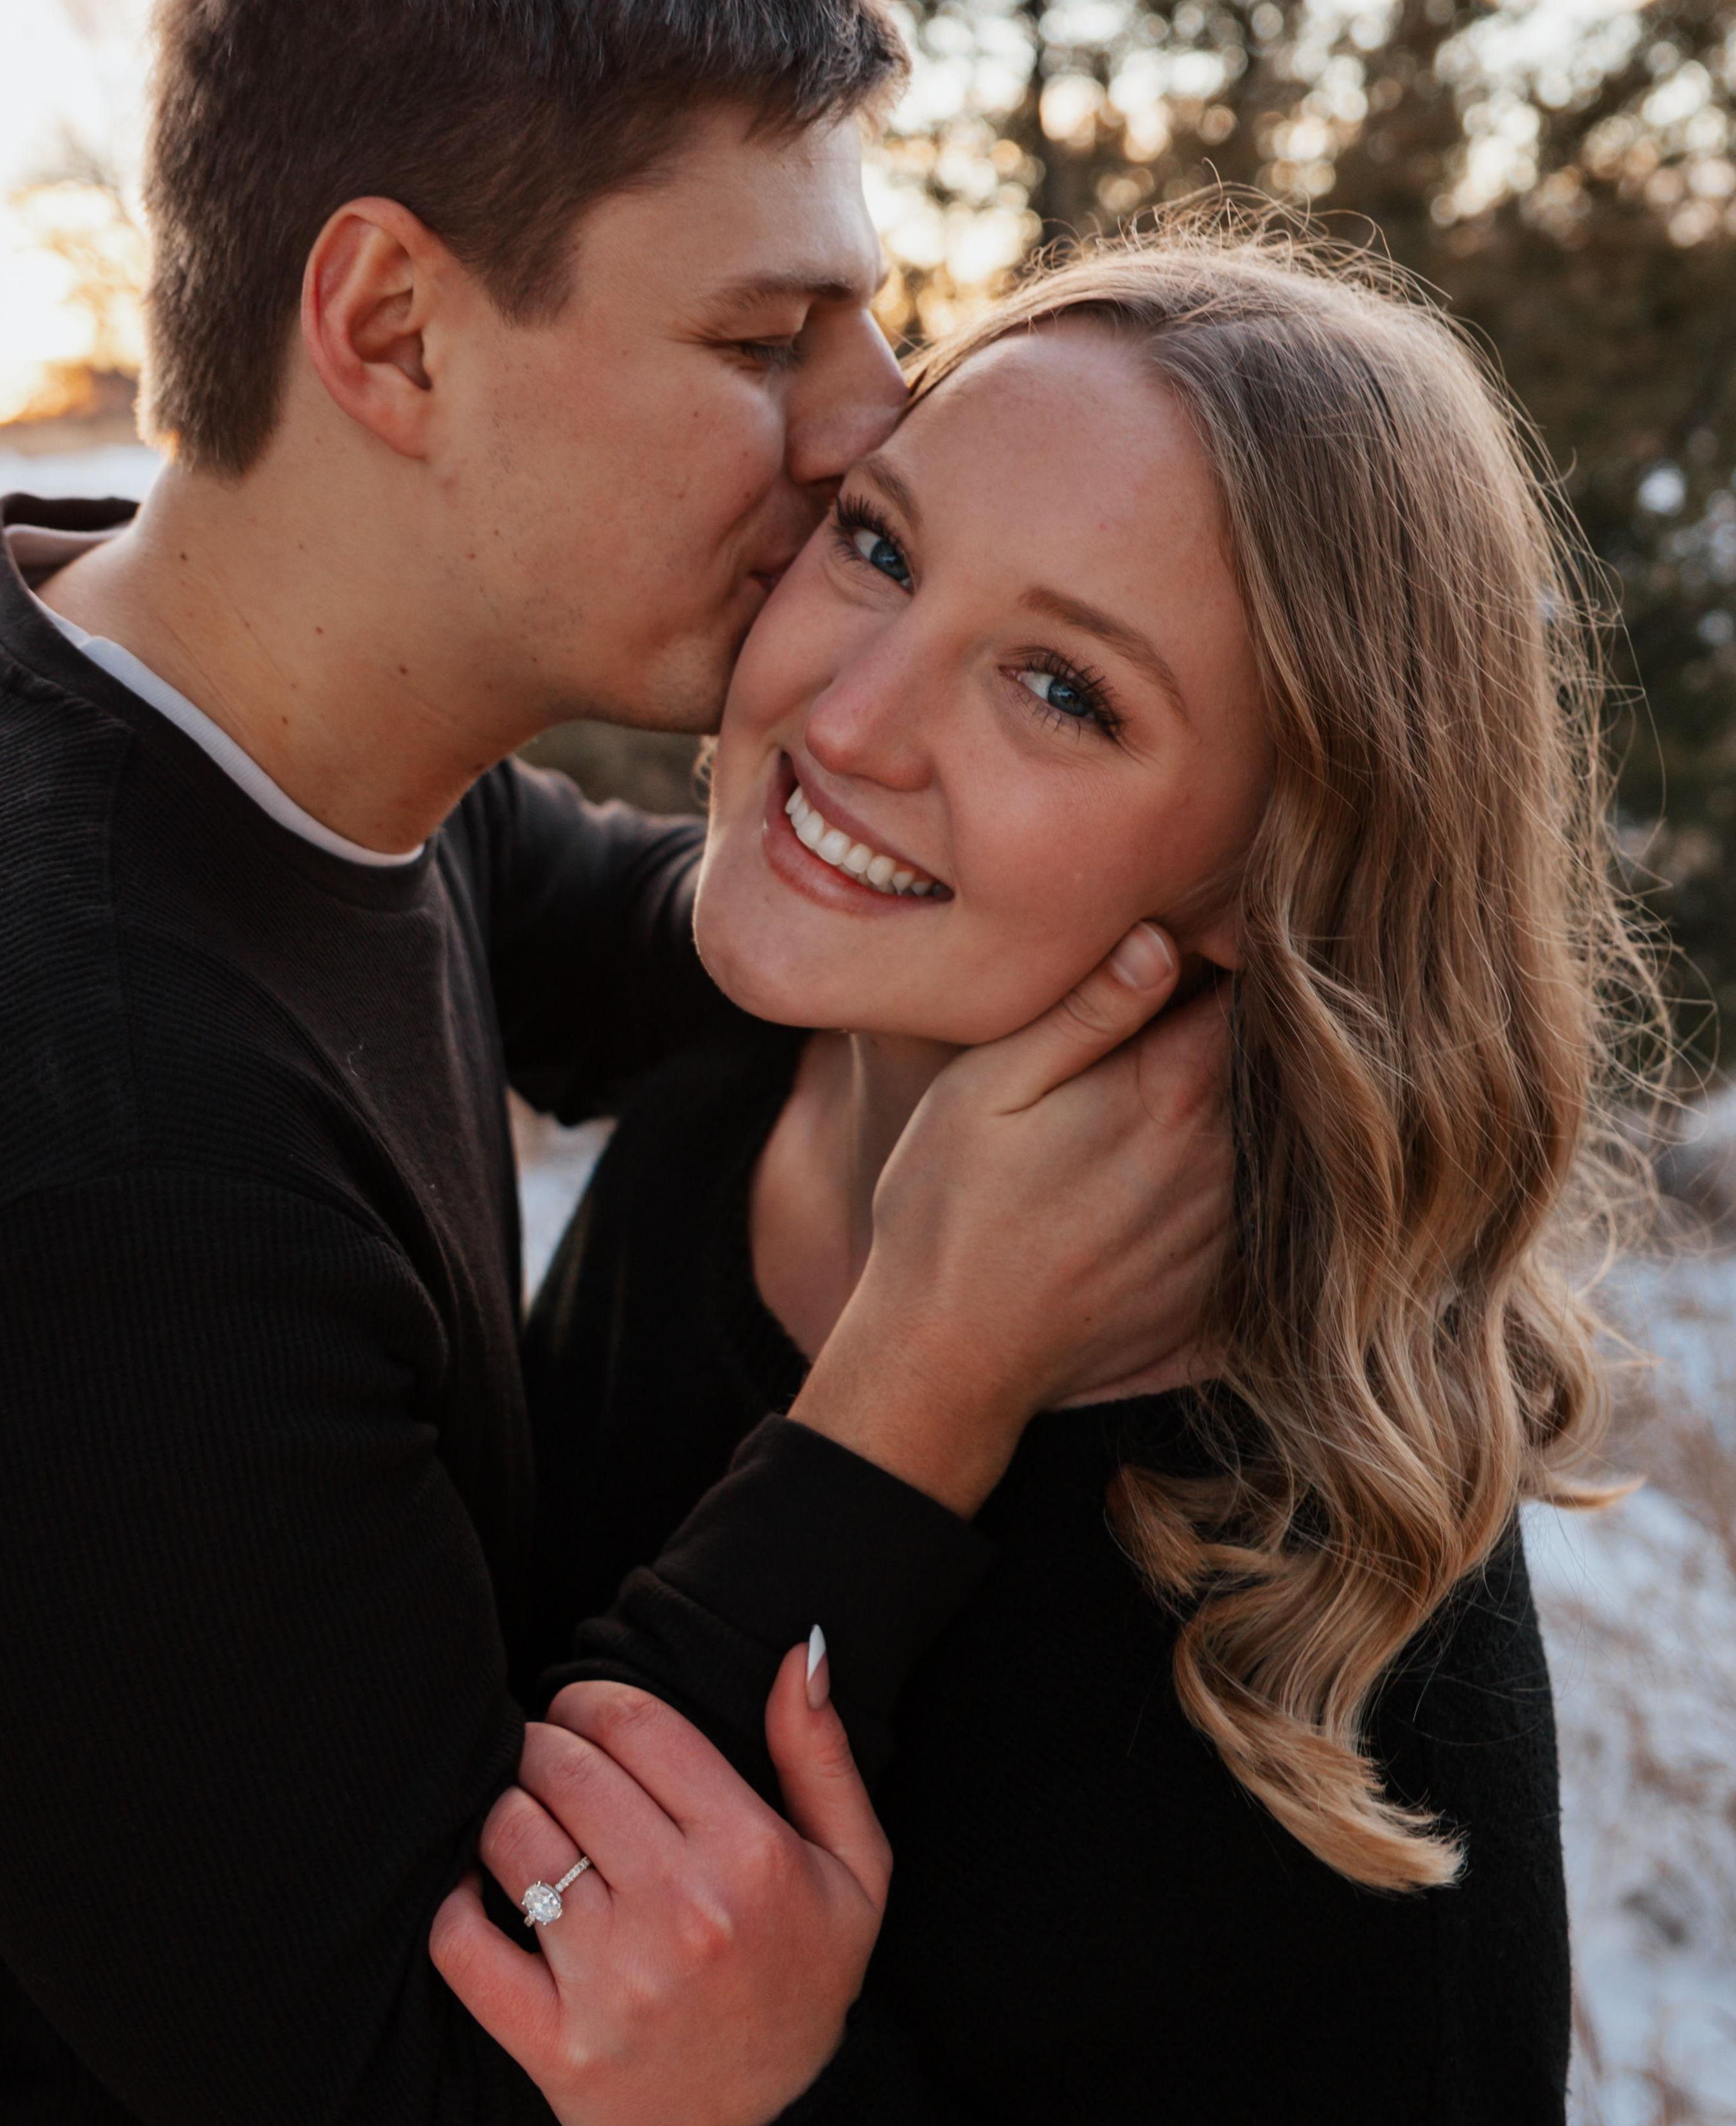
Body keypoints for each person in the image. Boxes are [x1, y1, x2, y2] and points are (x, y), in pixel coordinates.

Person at [0, 0, 1231, 2125]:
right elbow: (446, 2077)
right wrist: (934, 1370)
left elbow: (636, 943)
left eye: (867, 319)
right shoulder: (55, 1137)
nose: (872, 416)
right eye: (764, 336)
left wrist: (1043, 885)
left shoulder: (227, 740)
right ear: (391, 332)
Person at [497, 228, 1664, 2122]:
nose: (846, 720)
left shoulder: (1313, 1647)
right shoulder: (755, 1016)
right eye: (879, 546)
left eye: (1060, 688)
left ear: (1285, 870)